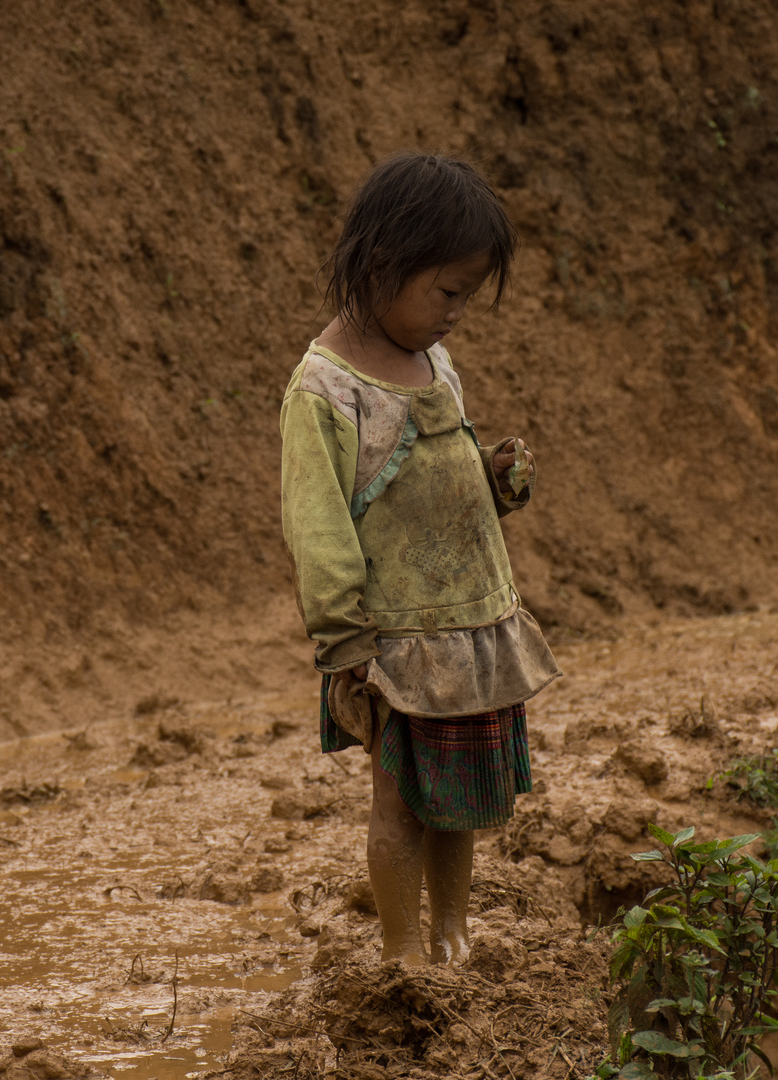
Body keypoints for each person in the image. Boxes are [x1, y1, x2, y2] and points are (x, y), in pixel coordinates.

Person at [279, 152, 560, 967]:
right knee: (401, 805)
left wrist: (497, 478)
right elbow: (320, 525)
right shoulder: (325, 393)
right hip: (397, 639)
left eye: (467, 295)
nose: (458, 314)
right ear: (382, 265)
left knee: (458, 804)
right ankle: (403, 953)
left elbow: (441, 474)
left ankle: (453, 936)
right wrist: (345, 646)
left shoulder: (435, 364)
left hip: (469, 623)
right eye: (447, 291)